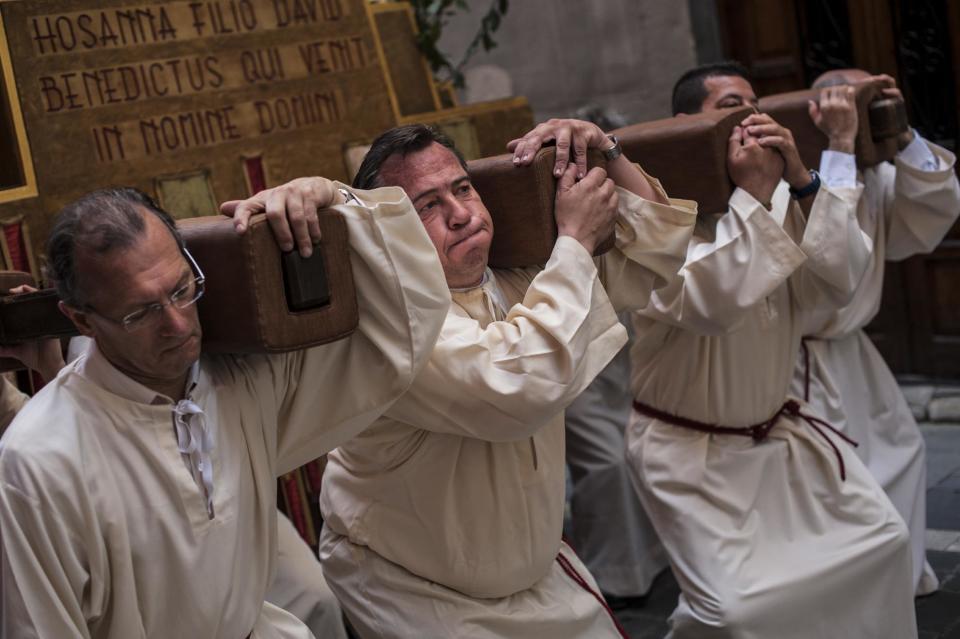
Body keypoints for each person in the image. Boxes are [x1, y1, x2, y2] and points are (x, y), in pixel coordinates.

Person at [0, 181, 450, 638]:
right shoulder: (41, 461)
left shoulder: (238, 381)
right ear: (80, 320)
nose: (177, 325)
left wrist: (332, 199)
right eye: (141, 313)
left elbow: (401, 331)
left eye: (181, 289)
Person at [318, 120, 698, 638]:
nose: (459, 214)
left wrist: (605, 148)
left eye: (463, 188)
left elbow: (654, 256)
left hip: (535, 577)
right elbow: (522, 384)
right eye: (427, 206)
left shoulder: (517, 278)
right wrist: (575, 242)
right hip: (417, 588)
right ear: (390, 233)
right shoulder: (389, 326)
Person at [623, 61, 917, 638]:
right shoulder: (655, 220)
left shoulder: (781, 199)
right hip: (690, 455)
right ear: (686, 124)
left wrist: (805, 180)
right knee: (739, 611)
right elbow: (715, 300)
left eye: (755, 104)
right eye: (731, 106)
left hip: (783, 437)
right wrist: (757, 195)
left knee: (884, 542)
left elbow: (841, 279)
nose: (752, 117)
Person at [789, 68, 960, 596]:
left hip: (855, 355)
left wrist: (901, 134)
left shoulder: (874, 173)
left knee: (900, 452)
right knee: (836, 483)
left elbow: (931, 216)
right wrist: (839, 145)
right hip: (794, 362)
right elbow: (827, 251)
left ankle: (899, 577)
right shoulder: (786, 179)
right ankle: (860, 592)